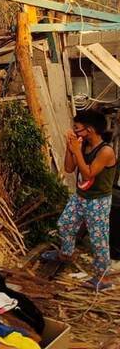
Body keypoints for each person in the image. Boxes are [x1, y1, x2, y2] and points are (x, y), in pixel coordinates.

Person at [42, 110, 117, 290]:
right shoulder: (83, 145)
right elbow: (69, 168)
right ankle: (66, 254)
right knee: (65, 223)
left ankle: (103, 278)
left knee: (98, 238)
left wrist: (76, 150)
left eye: (77, 128)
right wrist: (71, 148)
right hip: (81, 196)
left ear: (89, 129)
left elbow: (88, 173)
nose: (74, 131)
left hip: (98, 201)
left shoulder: (106, 151)